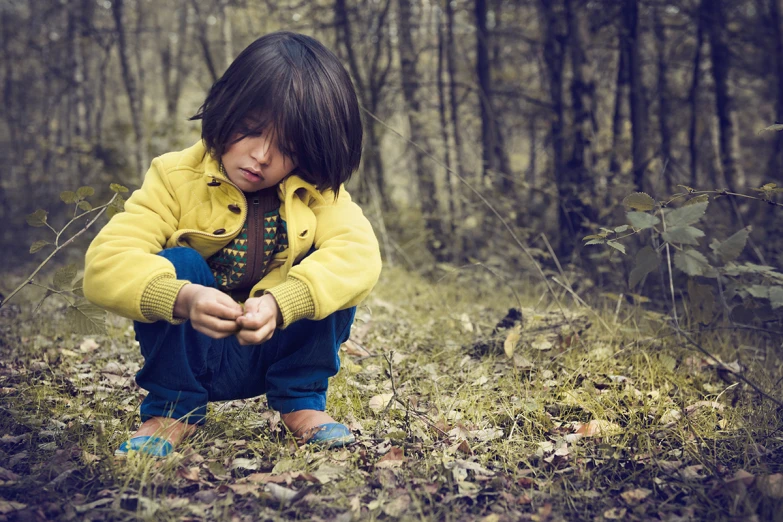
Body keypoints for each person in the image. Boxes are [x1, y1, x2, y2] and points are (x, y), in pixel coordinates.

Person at [83, 31, 382, 457]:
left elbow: (360, 257)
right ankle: (172, 410)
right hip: (197, 351)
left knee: (328, 264)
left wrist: (285, 302)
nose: (261, 155)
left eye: (287, 145)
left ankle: (301, 402)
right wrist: (182, 298)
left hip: (276, 348)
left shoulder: (319, 193)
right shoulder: (174, 177)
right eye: (250, 130)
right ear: (227, 109)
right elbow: (104, 264)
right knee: (179, 262)